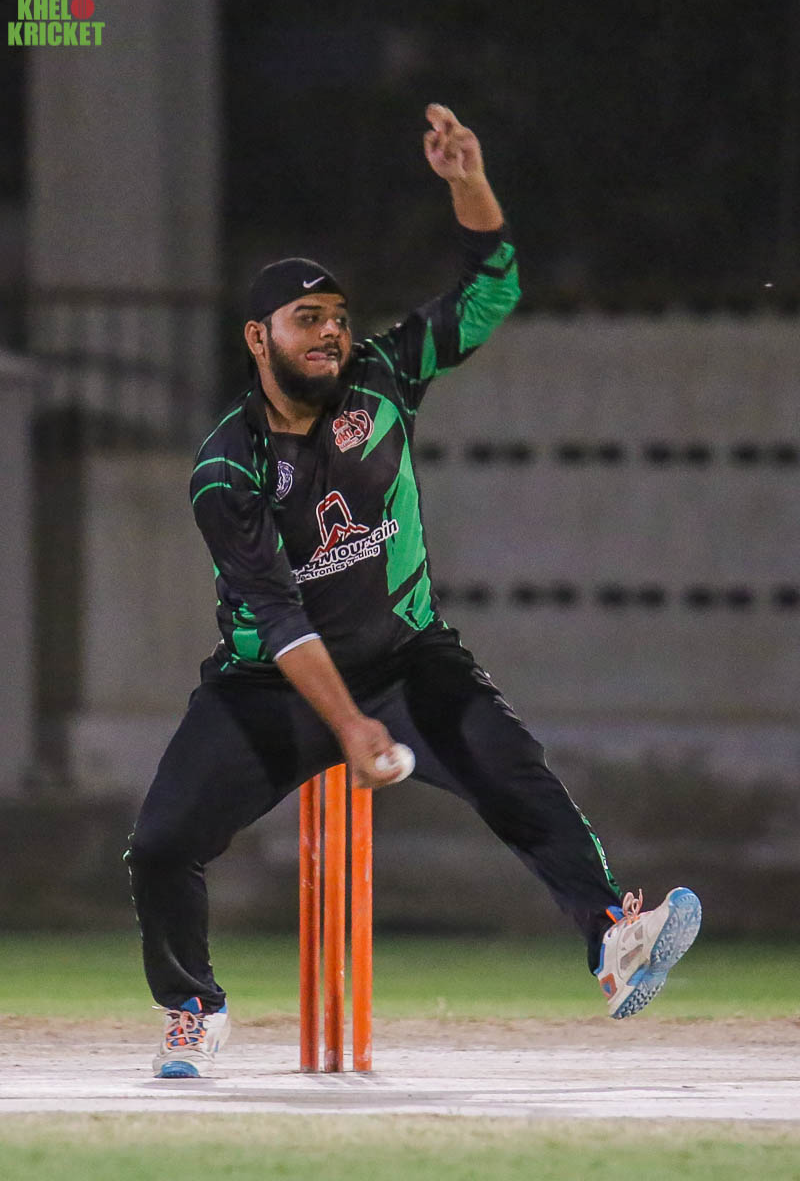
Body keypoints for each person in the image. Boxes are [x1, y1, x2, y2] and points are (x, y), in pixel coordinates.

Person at [126, 104, 701, 1078]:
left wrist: (466, 182)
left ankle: (613, 936)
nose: (331, 333)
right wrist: (349, 728)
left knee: (513, 771)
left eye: (338, 317)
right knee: (160, 844)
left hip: (404, 662)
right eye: (307, 319)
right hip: (270, 685)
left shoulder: (382, 375)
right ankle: (192, 1009)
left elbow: (491, 288)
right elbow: (275, 611)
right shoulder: (226, 466)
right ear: (257, 337)